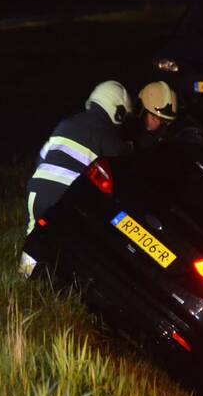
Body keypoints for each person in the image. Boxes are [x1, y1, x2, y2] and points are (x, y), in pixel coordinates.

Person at [18, 80, 133, 276]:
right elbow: (119, 179)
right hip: (65, 199)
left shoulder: (67, 123)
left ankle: (23, 282)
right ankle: (60, 290)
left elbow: (42, 157)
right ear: (118, 112)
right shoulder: (109, 138)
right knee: (69, 251)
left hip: (36, 191)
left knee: (33, 242)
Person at [133, 81, 178, 150]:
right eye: (154, 117)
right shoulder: (125, 134)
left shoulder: (165, 142)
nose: (158, 124)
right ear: (142, 111)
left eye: (162, 120)